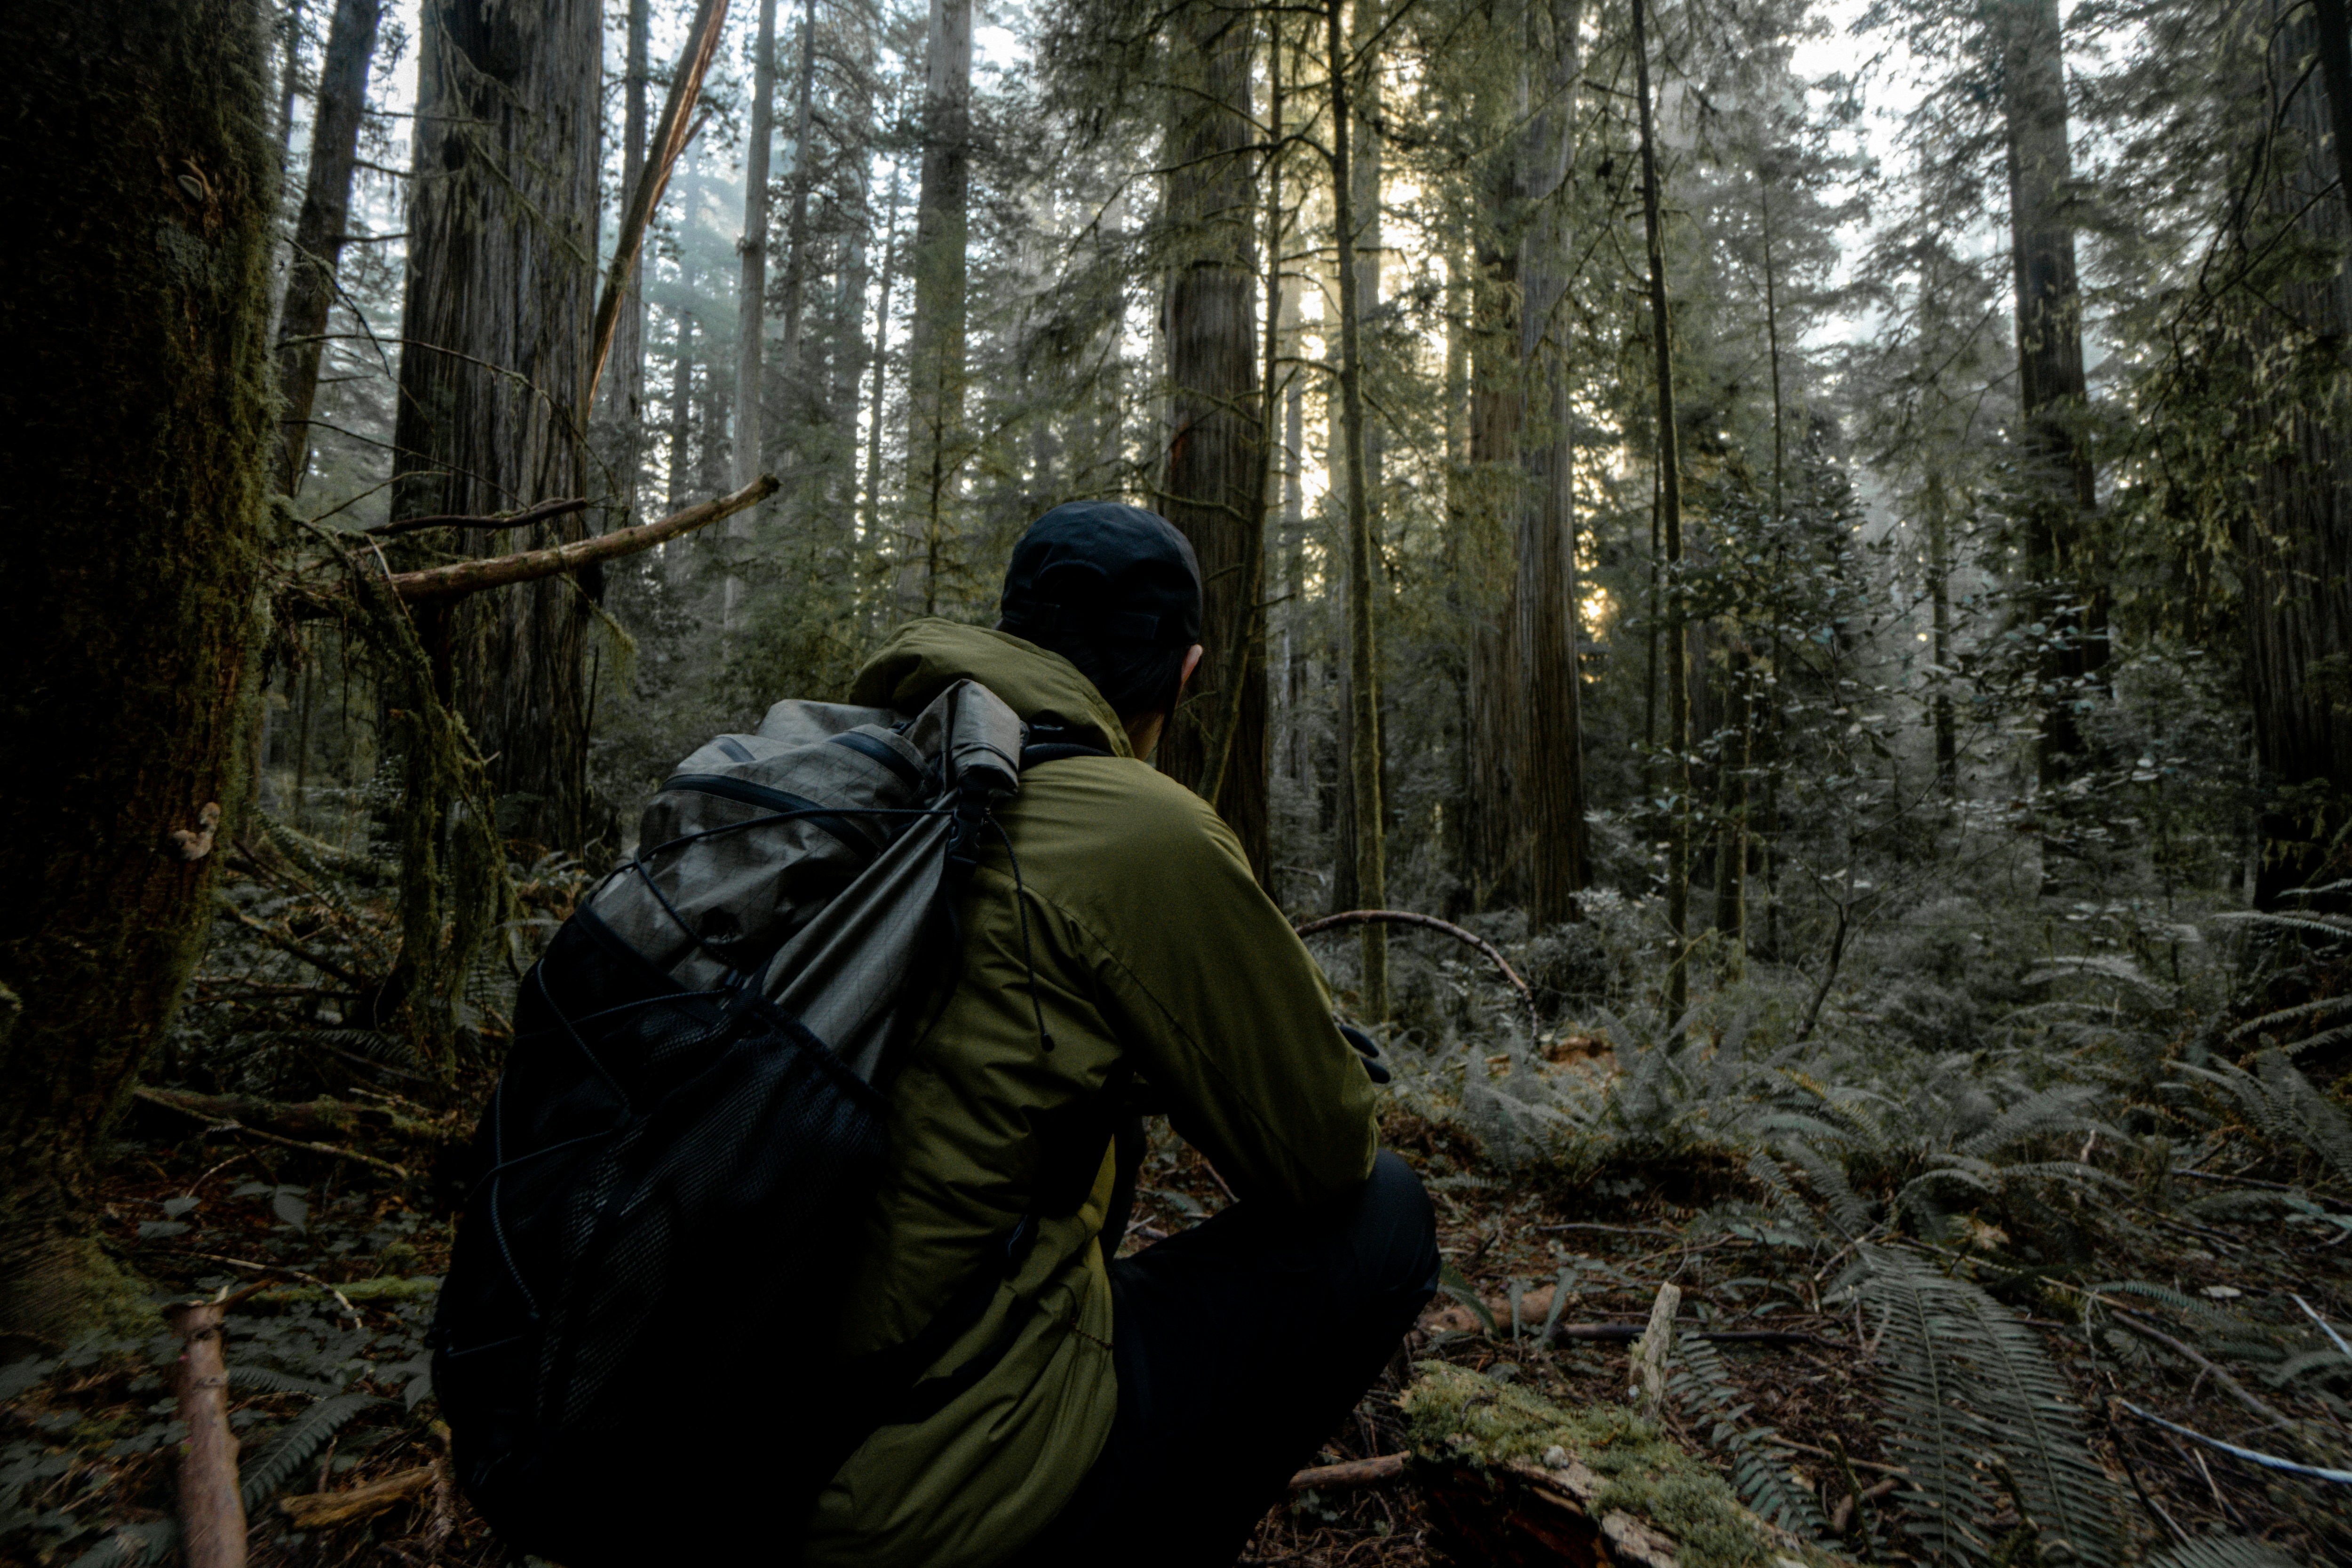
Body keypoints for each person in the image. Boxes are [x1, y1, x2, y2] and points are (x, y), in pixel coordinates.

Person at [803, 501, 1438, 1568]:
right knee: (1387, 1213)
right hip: (920, 1497)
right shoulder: (1142, 827)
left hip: (694, 1438)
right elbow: (1323, 1153)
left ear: (1011, 632)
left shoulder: (838, 776)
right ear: (1184, 672)